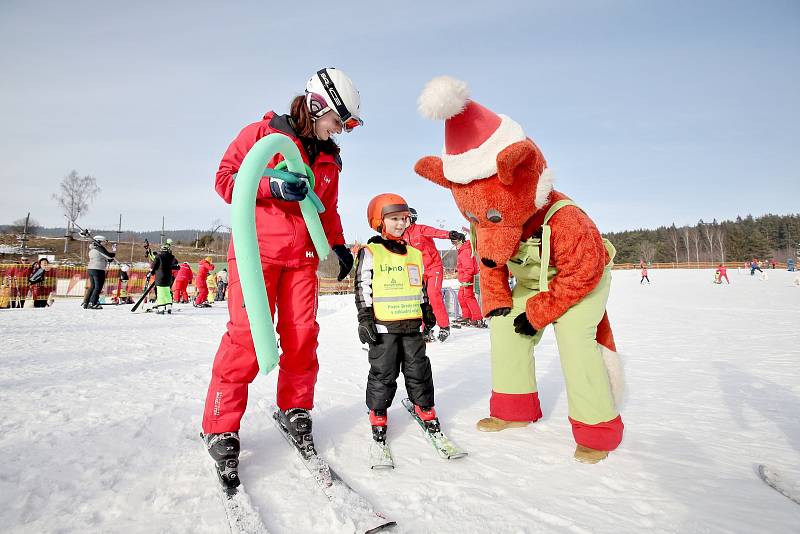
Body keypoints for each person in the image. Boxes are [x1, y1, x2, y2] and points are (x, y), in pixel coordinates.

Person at [201, 67, 361, 489]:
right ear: (316, 104)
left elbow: (328, 210)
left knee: (303, 334)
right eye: (336, 120)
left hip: (302, 259)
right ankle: (220, 425)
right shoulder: (261, 133)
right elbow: (225, 180)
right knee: (248, 337)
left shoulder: (329, 158)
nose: (338, 130)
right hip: (257, 254)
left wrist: (339, 247)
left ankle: (295, 408)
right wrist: (271, 185)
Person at [355, 193, 441, 445]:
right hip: (383, 327)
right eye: (394, 219)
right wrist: (364, 317)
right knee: (384, 371)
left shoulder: (414, 254)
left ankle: (424, 406)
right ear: (379, 221)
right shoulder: (371, 251)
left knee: (419, 369)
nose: (401, 223)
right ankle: (378, 411)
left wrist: (426, 309)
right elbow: (362, 286)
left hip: (412, 324)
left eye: (404, 218)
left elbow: (420, 285)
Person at [403, 208, 465, 342]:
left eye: (404, 218)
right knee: (420, 300)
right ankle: (426, 329)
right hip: (417, 272)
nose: (402, 221)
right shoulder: (401, 236)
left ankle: (444, 326)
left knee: (433, 294)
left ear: (411, 218)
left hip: (433, 267)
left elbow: (435, 232)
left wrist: (450, 234)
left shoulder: (420, 229)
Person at [452, 233, 485, 327]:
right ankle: (467, 316)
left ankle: (477, 318)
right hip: (464, 279)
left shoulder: (465, 251)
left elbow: (469, 268)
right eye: (453, 243)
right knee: (461, 296)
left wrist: (466, 280)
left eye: (455, 242)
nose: (455, 245)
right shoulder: (463, 250)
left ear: (461, 241)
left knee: (468, 297)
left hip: (468, 278)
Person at [83, 236, 116, 309]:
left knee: (93, 286)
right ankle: (93, 303)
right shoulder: (100, 248)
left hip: (91, 269)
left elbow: (103, 257)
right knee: (98, 287)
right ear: (100, 241)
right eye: (104, 242)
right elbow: (109, 256)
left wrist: (108, 259)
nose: (105, 244)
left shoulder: (92, 249)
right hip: (98, 269)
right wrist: (113, 254)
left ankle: (86, 302)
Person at [149, 241, 179, 314]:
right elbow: (175, 265)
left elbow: (154, 266)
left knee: (160, 293)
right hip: (168, 278)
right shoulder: (171, 257)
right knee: (167, 293)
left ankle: (161, 309)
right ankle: (169, 307)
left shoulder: (159, 256)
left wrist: (151, 272)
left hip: (160, 278)